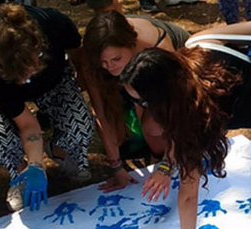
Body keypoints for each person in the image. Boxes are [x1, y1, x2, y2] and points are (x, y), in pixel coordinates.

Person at [119, 21, 251, 229]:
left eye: (144, 102)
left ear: (162, 98)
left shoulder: (194, 118)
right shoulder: (199, 44)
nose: (142, 108)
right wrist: (167, 165)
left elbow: (189, 194)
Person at [0, 2, 95, 211]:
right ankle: (21, 173)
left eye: (27, 73)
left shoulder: (54, 23)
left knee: (80, 126)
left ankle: (59, 151)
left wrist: (81, 80)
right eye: (16, 76)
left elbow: (78, 55)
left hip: (53, 81)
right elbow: (28, 125)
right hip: (3, 91)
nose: (22, 81)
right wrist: (35, 164)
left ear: (40, 51)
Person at [79, 10, 189, 194]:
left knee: (154, 131)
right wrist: (116, 166)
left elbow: (178, 108)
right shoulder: (92, 59)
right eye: (103, 62)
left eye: (116, 59)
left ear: (131, 45)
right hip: (133, 80)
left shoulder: (157, 48)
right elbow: (101, 113)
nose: (109, 66)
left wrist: (166, 165)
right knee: (125, 134)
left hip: (169, 74)